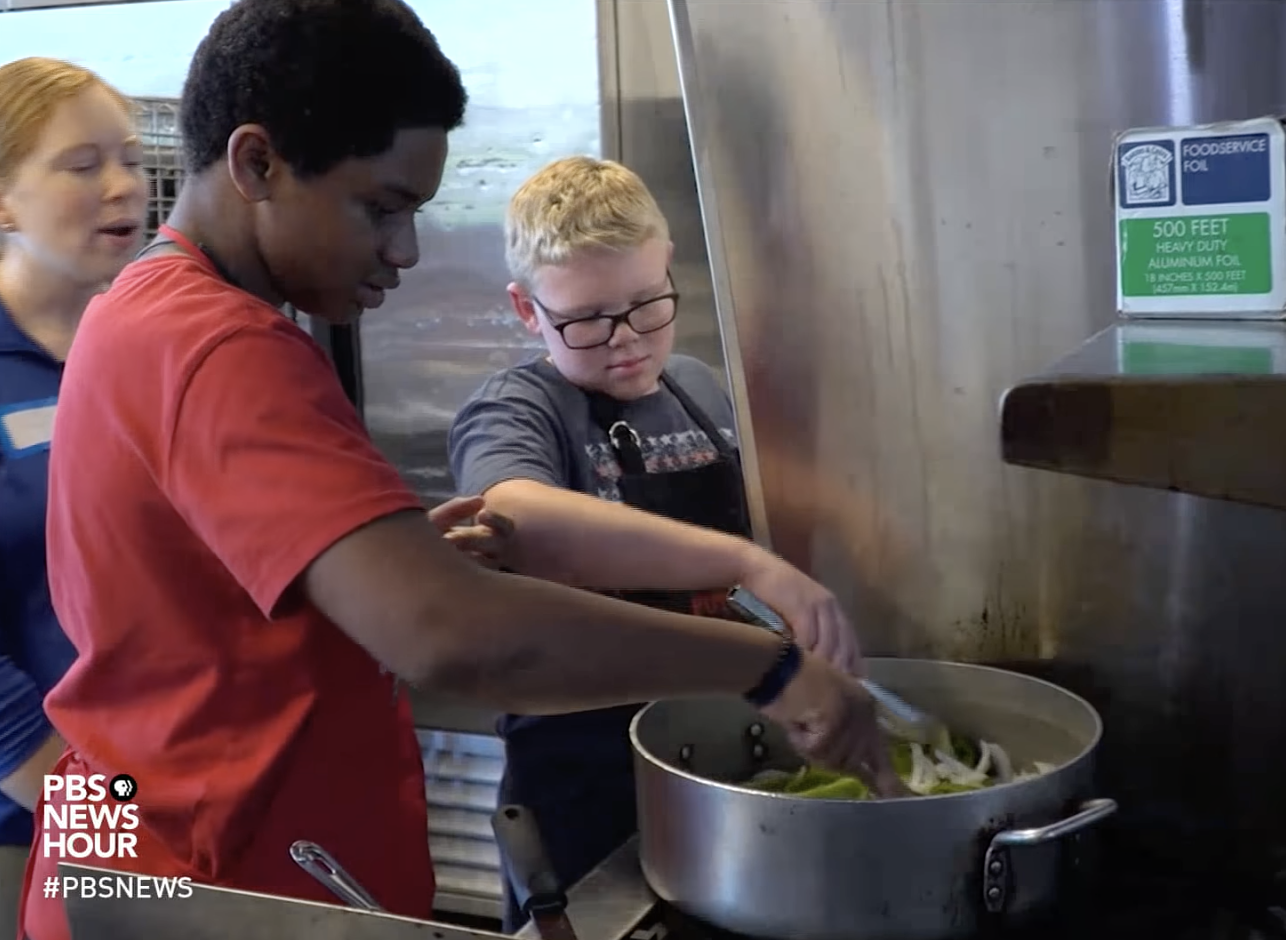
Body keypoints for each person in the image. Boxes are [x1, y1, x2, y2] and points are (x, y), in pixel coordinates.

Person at [18, 3, 896, 939]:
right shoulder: (221, 344)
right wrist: (767, 667)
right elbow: (449, 637)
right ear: (257, 164)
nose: (406, 251)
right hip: (210, 885)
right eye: (381, 208)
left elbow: (185, 608)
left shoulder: (140, 310)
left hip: (128, 852)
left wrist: (382, 568)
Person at [447, 155, 866, 931]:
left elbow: (787, 503)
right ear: (526, 310)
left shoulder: (699, 387)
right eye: (585, 319)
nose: (626, 340)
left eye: (647, 305)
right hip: (580, 783)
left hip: (717, 761)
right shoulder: (519, 410)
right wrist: (744, 562)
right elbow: (517, 514)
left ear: (668, 265)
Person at [0, 57, 149, 938]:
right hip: (30, 825)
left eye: (129, 158)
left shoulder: (149, 348)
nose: (123, 184)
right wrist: (94, 816)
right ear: (4, 200)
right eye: (83, 164)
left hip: (162, 791)